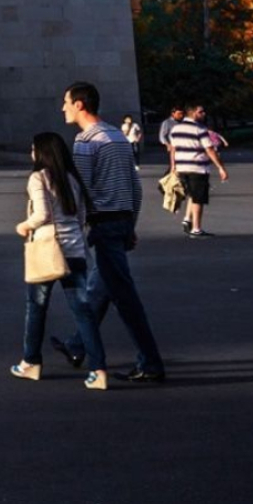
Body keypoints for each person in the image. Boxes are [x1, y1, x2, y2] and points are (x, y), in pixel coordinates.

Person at [64, 80, 165, 383]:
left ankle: (151, 362)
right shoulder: (117, 137)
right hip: (121, 221)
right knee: (102, 289)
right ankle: (77, 344)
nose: (63, 108)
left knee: (125, 298)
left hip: (104, 224)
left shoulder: (86, 141)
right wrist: (131, 224)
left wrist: (74, 231)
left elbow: (80, 189)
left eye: (66, 102)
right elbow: (134, 187)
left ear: (80, 104)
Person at [12, 130, 108, 389]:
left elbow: (42, 214)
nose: (31, 153)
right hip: (74, 251)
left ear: (41, 152)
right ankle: (98, 370)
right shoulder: (72, 179)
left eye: (33, 149)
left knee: (36, 308)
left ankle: (31, 362)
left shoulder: (38, 178)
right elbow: (80, 218)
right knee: (83, 311)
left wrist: (23, 226)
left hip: (47, 251)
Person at [169, 106, 229, 237]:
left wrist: (173, 166)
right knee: (198, 198)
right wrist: (220, 167)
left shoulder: (175, 129)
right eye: (201, 111)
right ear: (192, 113)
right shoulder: (199, 129)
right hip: (197, 167)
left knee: (191, 194)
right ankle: (196, 228)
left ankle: (187, 219)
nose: (204, 114)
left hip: (181, 167)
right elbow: (209, 149)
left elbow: (173, 149)